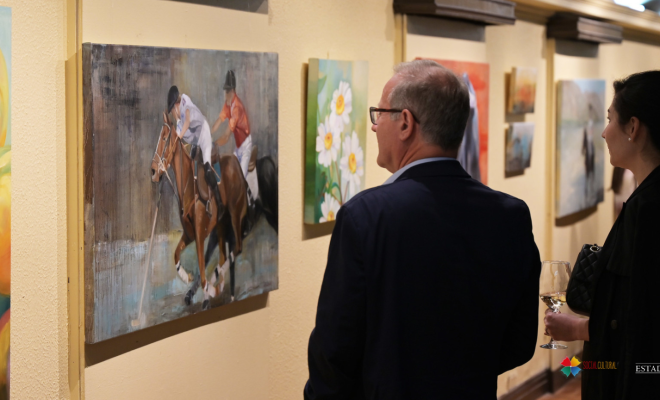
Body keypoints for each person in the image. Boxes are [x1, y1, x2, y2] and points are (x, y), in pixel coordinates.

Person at [304, 60, 541, 400]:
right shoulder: (511, 215)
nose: (373, 127)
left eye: (378, 114)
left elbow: (334, 353)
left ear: (405, 123)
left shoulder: (365, 216)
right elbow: (518, 343)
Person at [544, 71, 660, 399]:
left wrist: (579, 327)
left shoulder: (648, 209)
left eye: (610, 120)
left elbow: (641, 321)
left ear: (634, 128)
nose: (605, 133)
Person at [167, 86, 221, 217]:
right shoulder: (179, 123)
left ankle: (219, 203)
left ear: (176, 106)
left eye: (172, 111)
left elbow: (187, 122)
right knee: (190, 166)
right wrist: (168, 161)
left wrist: (179, 137)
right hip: (195, 142)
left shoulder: (186, 104)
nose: (173, 115)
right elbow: (178, 138)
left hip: (204, 135)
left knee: (207, 169)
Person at [212, 70, 257, 206]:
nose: (225, 94)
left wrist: (214, 143)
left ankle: (250, 202)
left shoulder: (236, 108)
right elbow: (219, 121)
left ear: (233, 91)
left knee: (239, 178)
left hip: (245, 147)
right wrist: (208, 134)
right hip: (238, 147)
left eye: (227, 91)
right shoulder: (228, 104)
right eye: (225, 91)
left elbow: (226, 136)